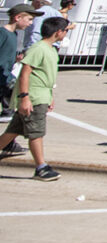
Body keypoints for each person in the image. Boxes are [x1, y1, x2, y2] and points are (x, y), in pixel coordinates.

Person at [0, 15, 69, 180]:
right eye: (65, 30)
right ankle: (41, 167)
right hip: (33, 98)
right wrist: (24, 97)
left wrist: (50, 96)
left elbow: (46, 76)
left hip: (41, 95)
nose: (66, 33)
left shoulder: (51, 49)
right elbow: (25, 73)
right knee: (36, 133)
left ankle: (41, 166)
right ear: (58, 32)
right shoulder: (39, 49)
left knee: (13, 131)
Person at [0, 4, 41, 119]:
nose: (31, 23)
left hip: (5, 76)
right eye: (29, 19)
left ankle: (8, 113)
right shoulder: (2, 33)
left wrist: (16, 59)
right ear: (18, 18)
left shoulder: (14, 33)